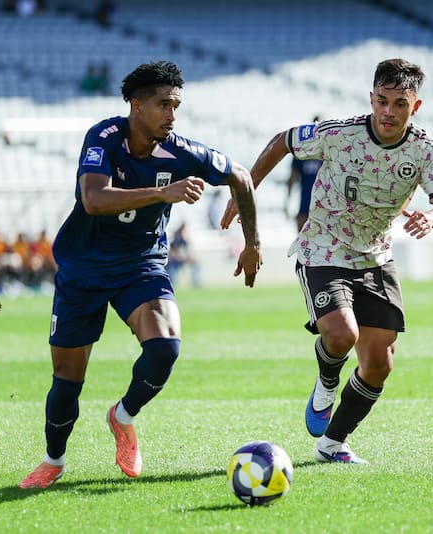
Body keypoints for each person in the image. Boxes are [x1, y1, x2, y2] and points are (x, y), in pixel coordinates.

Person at [19, 60, 261, 489]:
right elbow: (93, 199)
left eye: (176, 106)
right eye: (163, 105)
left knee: (166, 347)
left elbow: (241, 177)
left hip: (140, 266)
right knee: (67, 382)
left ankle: (122, 417)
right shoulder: (103, 137)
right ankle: (53, 460)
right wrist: (162, 193)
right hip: (83, 267)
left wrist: (252, 242)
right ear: (135, 104)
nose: (172, 115)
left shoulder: (183, 152)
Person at [222, 58, 433, 464]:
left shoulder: (423, 151)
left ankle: (332, 443)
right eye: (381, 101)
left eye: (399, 103)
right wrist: (247, 192)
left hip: (376, 256)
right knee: (341, 334)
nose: (388, 111)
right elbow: (284, 140)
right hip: (324, 248)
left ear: (414, 107)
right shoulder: (339, 134)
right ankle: (327, 379)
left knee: (380, 364)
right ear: (371, 98)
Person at [286, 115, 322, 232]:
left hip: (325, 204)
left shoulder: (330, 151)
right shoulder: (302, 150)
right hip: (305, 202)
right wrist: (288, 202)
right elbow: (292, 178)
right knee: (302, 241)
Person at [166, 222, 201, 287]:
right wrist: (181, 257)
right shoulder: (177, 238)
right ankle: (172, 284)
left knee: (196, 264)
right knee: (173, 267)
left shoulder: (184, 240)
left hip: (182, 258)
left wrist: (189, 257)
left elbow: (188, 251)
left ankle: (196, 283)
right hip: (175, 260)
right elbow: (172, 252)